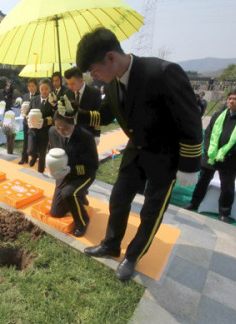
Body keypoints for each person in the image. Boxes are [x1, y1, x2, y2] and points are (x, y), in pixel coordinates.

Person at [75, 27, 203, 281]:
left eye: (95, 71)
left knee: (151, 212)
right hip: (136, 151)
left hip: (165, 157)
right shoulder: (112, 84)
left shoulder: (162, 72)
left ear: (111, 58)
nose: (96, 78)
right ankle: (111, 244)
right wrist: (74, 112)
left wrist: (189, 164)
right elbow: (105, 116)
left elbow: (191, 120)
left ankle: (132, 255)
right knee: (118, 199)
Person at [184, 88, 236, 222]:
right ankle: (194, 202)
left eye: (235, 99)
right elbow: (208, 133)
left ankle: (224, 212)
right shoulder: (219, 114)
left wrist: (226, 153)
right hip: (211, 156)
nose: (231, 101)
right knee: (202, 181)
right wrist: (208, 150)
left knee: (227, 186)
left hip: (230, 159)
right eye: (229, 98)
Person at [49, 111, 99, 237]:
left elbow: (93, 166)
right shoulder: (52, 132)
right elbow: (52, 150)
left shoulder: (86, 137)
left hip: (83, 175)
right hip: (63, 174)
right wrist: (50, 164)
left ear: (74, 124)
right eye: (58, 127)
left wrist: (70, 169)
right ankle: (80, 197)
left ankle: (82, 222)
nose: (61, 131)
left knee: (69, 194)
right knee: (56, 212)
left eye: (66, 128)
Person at [64, 67, 102, 144]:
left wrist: (97, 134)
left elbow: (98, 115)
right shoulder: (67, 93)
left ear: (81, 80)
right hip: (70, 134)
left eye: (72, 84)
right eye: (68, 84)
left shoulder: (95, 93)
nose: (70, 86)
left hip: (87, 132)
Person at [27, 79, 55, 173]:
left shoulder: (53, 102)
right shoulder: (34, 99)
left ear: (50, 89)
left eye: (46, 89)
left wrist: (45, 121)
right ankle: (34, 156)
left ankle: (40, 171)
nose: (44, 91)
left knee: (42, 152)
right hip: (33, 129)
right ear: (39, 89)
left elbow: (55, 117)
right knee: (30, 150)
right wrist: (28, 118)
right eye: (42, 89)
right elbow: (28, 112)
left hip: (45, 130)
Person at [18, 78, 39, 164]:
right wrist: (22, 111)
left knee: (34, 140)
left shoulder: (39, 96)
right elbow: (22, 107)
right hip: (26, 121)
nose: (31, 88)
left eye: (33, 86)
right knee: (25, 139)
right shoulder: (26, 96)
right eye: (29, 86)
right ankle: (24, 158)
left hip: (34, 122)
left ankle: (34, 156)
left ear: (36, 87)